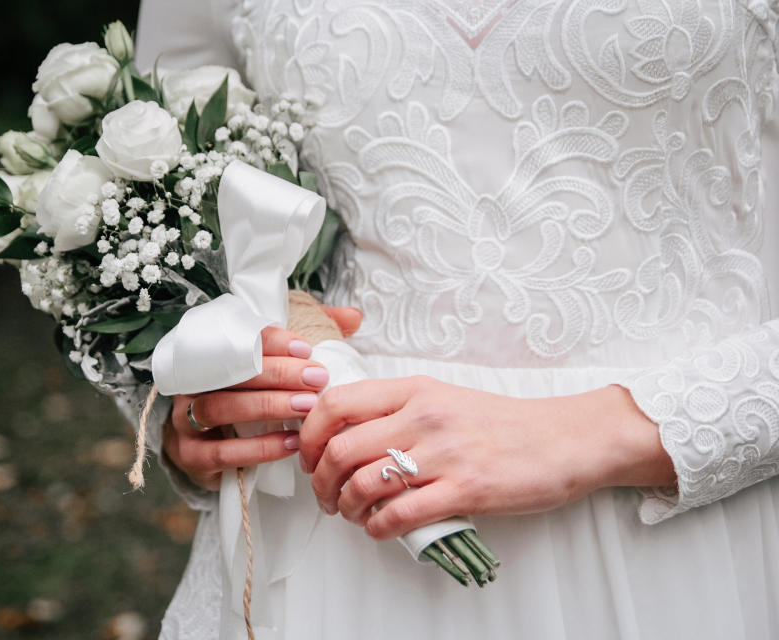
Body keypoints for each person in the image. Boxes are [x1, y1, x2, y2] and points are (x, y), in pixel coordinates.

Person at [133, 1, 779, 638]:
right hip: (336, 521)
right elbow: (156, 191)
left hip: (685, 531)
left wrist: (606, 431)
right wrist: (186, 410)